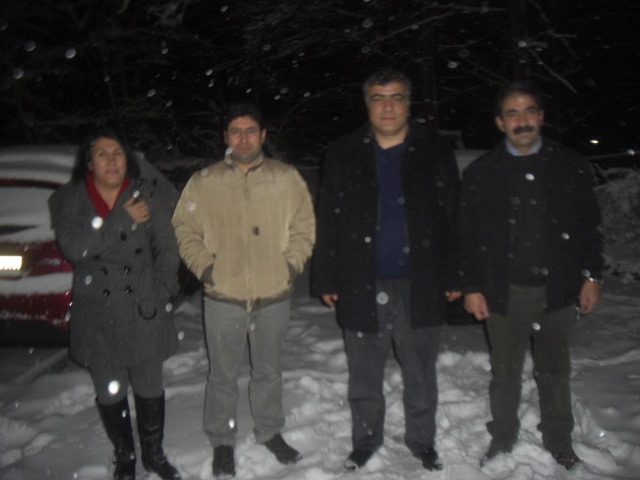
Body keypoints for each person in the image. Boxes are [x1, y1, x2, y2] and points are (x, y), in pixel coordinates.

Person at [311, 69, 461, 472]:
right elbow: (328, 216)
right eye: (379, 98)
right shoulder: (344, 152)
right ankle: (365, 440)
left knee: (420, 370)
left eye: (396, 97)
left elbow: (454, 214)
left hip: (421, 279)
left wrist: (455, 274)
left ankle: (422, 440)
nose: (388, 106)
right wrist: (326, 275)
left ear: (408, 104)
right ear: (368, 105)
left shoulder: (433, 149)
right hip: (361, 280)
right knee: (364, 371)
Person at [458, 82, 603, 470]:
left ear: (541, 116)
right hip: (504, 292)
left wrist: (592, 276)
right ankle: (503, 436)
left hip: (559, 289)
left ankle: (559, 439)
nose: (522, 120)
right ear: (500, 122)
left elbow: (589, 226)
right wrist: (471, 286)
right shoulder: (481, 173)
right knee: (505, 373)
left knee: (555, 372)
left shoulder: (569, 166)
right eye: (512, 113)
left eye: (529, 111)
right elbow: (466, 237)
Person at [172, 103, 315, 478]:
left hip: (273, 295)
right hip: (224, 296)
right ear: (226, 137)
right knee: (222, 374)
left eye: (251, 130)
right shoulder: (205, 181)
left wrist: (289, 265)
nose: (244, 138)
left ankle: (270, 432)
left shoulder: (286, 178)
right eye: (236, 131)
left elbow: (304, 226)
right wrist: (206, 268)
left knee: (268, 370)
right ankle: (222, 440)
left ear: (263, 135)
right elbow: (184, 227)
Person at [49, 130, 182, 480]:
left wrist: (162, 290)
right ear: (89, 162)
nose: (111, 160)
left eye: (118, 153)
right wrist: (123, 219)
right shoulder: (67, 199)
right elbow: (76, 248)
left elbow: (169, 249)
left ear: (128, 159)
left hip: (144, 307)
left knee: (149, 386)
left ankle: (154, 454)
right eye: (102, 153)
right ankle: (125, 456)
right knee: (110, 391)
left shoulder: (146, 193)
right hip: (97, 312)